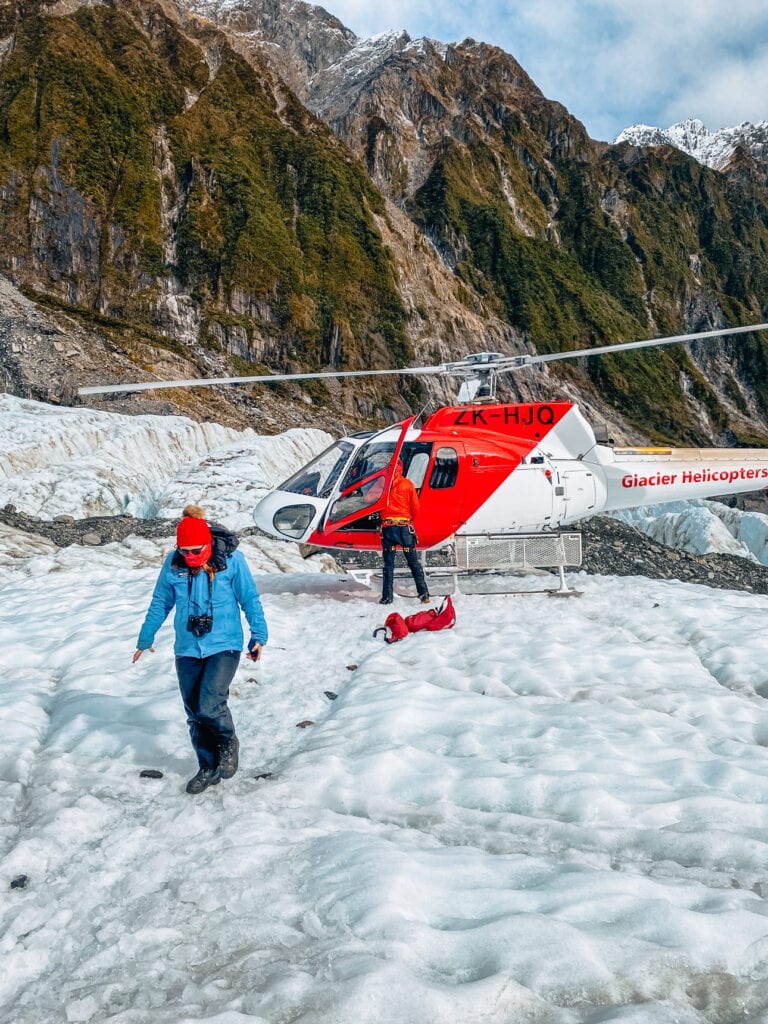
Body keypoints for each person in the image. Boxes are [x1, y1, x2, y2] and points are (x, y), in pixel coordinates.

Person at [133, 505, 268, 795]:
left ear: (208, 543)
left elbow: (249, 598)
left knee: (210, 702)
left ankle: (228, 743)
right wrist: (145, 637)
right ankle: (207, 767)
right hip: (187, 647)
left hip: (225, 644)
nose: (191, 557)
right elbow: (160, 601)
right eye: (185, 551)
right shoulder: (174, 564)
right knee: (194, 711)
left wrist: (259, 634)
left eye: (196, 550)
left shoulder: (232, 561)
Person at [380, 460, 430, 605]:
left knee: (388, 565)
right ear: (401, 469)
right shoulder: (407, 484)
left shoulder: (383, 484)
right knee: (413, 563)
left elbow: (368, 498)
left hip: (388, 529)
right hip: (404, 529)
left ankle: (386, 597)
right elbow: (416, 507)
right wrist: (408, 520)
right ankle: (424, 594)